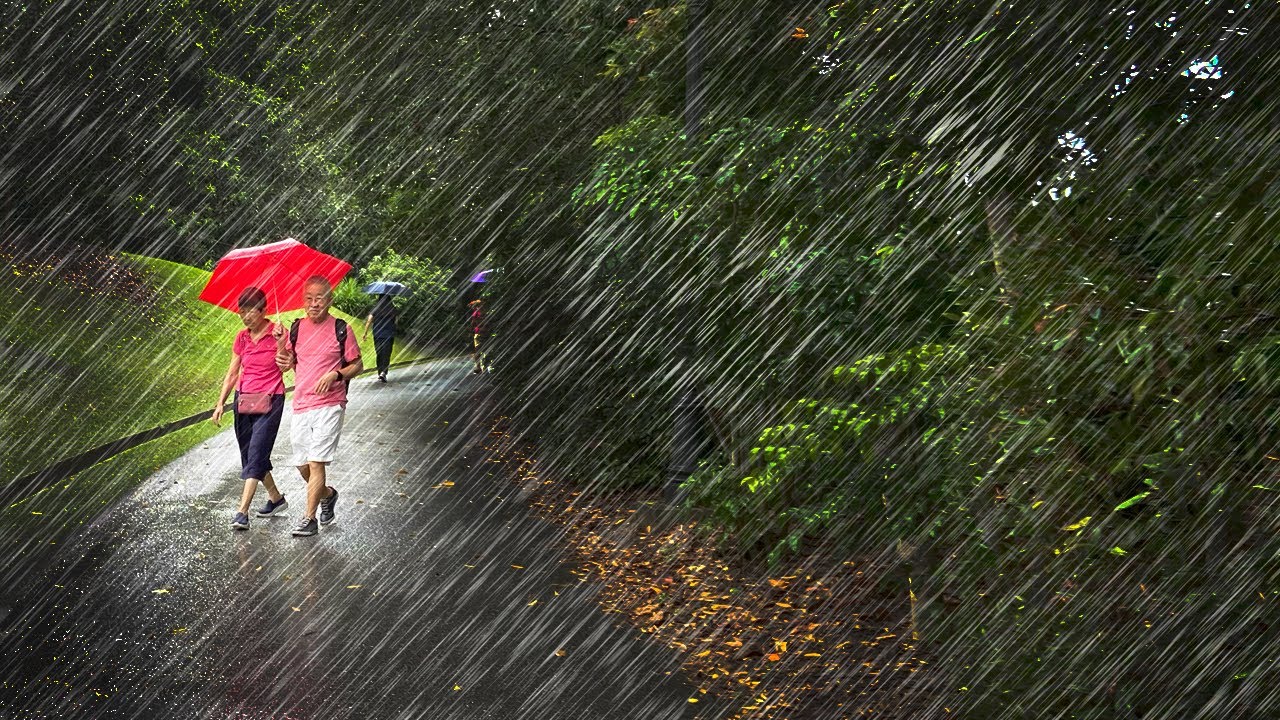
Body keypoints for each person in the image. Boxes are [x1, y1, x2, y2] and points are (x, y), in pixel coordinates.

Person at [275, 276, 364, 537]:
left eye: (320, 299)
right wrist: (280, 343)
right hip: (302, 403)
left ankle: (309, 518)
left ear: (329, 301)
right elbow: (287, 362)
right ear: (303, 301)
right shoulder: (296, 328)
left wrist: (336, 374)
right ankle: (327, 494)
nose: (314, 304)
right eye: (309, 299)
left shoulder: (341, 328)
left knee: (316, 462)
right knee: (302, 465)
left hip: (330, 404)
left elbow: (358, 365)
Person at [212, 286, 289, 530]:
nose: (245, 316)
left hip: (271, 400)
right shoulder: (242, 337)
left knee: (256, 453)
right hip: (244, 399)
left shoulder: (279, 332)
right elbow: (232, 372)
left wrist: (280, 343)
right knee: (250, 455)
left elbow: (285, 366)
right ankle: (276, 498)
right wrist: (220, 403)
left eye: (250, 311)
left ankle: (241, 512)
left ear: (263, 310)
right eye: (242, 311)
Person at [362, 293, 397, 382]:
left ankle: (380, 371)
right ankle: (383, 372)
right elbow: (396, 321)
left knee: (379, 353)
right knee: (386, 353)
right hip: (389, 335)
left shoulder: (376, 308)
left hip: (377, 334)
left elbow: (369, 320)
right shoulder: (392, 309)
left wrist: (365, 333)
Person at [469, 298, 488, 374]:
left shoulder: (476, 312)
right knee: (486, 349)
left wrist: (470, 330)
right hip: (486, 332)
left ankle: (479, 367)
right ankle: (486, 367)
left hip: (479, 332)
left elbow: (473, 322)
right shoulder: (485, 312)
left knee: (477, 351)